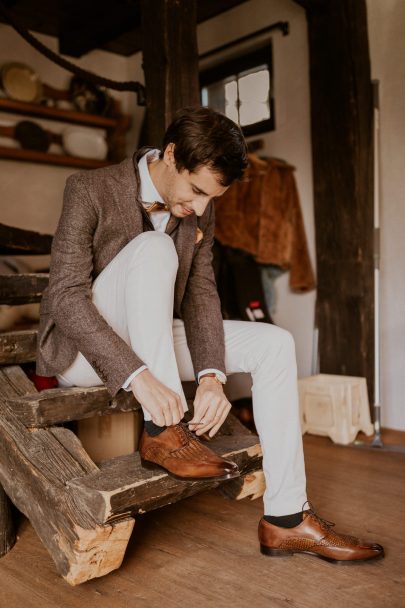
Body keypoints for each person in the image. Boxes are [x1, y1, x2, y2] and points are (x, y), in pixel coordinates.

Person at [36, 106, 384, 563]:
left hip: (152, 338)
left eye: (210, 198)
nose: (200, 208)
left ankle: (286, 519)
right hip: (84, 354)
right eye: (197, 190)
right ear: (171, 153)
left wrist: (211, 376)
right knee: (156, 245)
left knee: (275, 343)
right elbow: (64, 294)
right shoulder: (89, 188)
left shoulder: (201, 209)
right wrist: (138, 376)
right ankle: (162, 431)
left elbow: (201, 294)